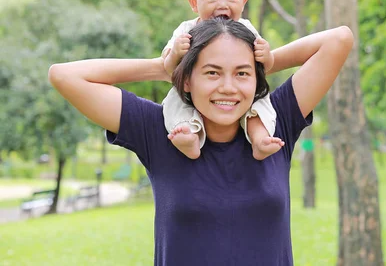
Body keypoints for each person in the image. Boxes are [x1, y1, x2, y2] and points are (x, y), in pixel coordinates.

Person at [48, 18, 353, 265]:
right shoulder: (160, 130)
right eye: (212, 72)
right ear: (187, 81)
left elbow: (338, 39)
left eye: (242, 73)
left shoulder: (275, 123)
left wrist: (265, 61)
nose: (228, 87)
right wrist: (163, 67)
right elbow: (64, 76)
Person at [162, 0, 279, 161]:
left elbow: (264, 66)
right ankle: (189, 135)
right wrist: (176, 54)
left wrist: (266, 55)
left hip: (241, 98)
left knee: (261, 101)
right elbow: (168, 68)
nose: (223, 5)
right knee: (175, 101)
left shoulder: (246, 30)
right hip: (193, 94)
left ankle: (260, 139)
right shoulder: (186, 30)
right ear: (194, 2)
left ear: (243, 1)